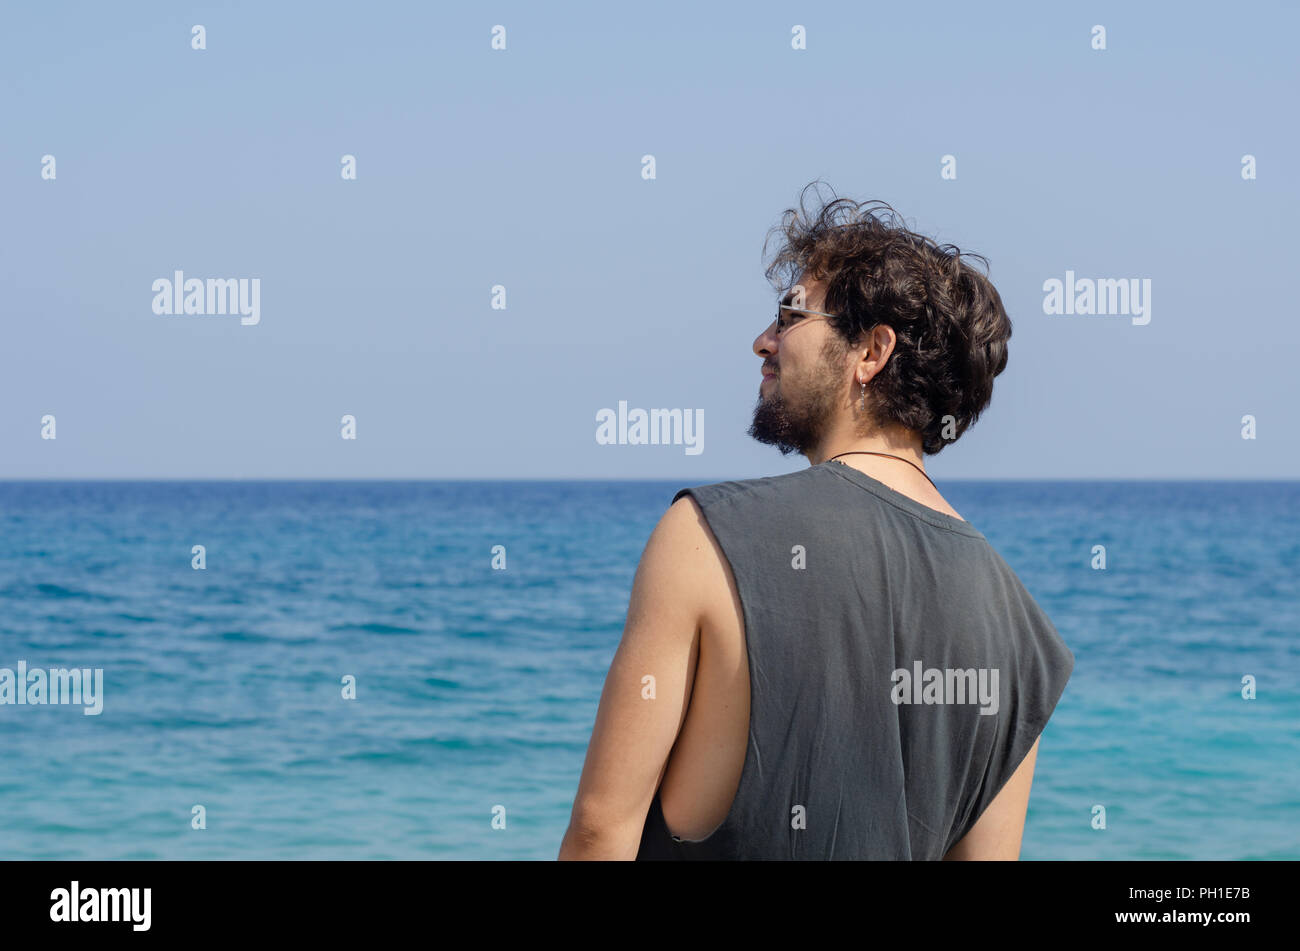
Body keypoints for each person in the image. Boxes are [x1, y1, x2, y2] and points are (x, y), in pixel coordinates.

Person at [558, 182, 1074, 860]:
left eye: (789, 316)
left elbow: (601, 831)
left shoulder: (704, 536)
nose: (762, 341)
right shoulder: (1023, 633)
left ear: (871, 352)